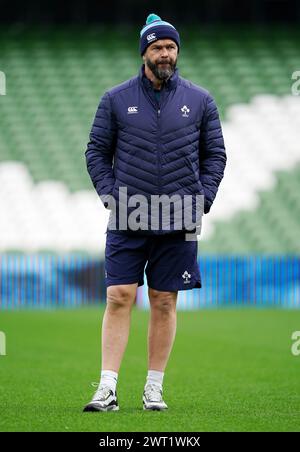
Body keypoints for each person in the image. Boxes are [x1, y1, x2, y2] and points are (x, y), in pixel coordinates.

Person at [83, 13, 226, 412]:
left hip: (181, 214)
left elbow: (215, 155)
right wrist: (112, 197)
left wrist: (203, 199)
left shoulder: (200, 100)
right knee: (118, 295)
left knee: (164, 300)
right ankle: (107, 388)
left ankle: (153, 389)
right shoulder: (115, 99)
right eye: (157, 47)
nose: (165, 53)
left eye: (171, 47)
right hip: (129, 213)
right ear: (144, 53)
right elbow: (95, 152)